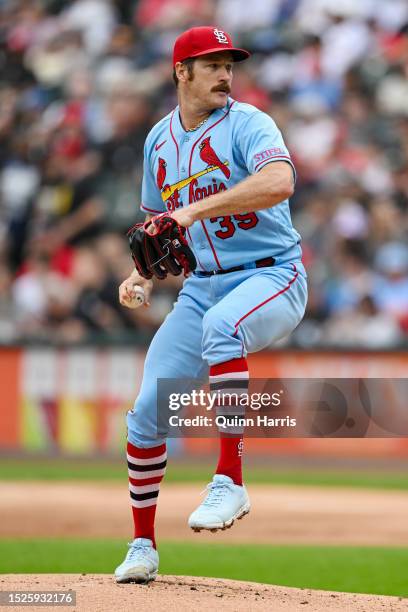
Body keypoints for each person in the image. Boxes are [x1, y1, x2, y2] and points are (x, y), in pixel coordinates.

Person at [115, 26, 308, 583]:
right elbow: (159, 227)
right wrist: (141, 275)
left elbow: (279, 181)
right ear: (182, 72)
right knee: (148, 408)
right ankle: (142, 547)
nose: (226, 73)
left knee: (225, 326)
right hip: (202, 286)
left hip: (272, 273)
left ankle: (231, 481)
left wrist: (194, 212)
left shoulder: (249, 123)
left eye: (230, 63)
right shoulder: (158, 141)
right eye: (212, 63)